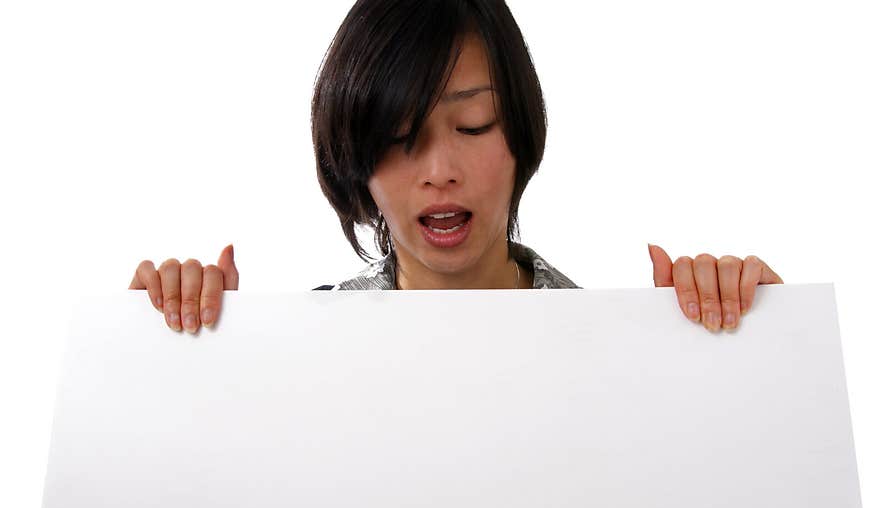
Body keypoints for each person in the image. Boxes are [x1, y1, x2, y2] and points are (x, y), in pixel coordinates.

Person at [129, 0, 783, 333]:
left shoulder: (619, 347)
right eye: (398, 136)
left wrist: (741, 339)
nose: (440, 169)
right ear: (355, 159)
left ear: (522, 133)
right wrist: (184, 360)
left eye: (473, 126)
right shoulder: (302, 353)